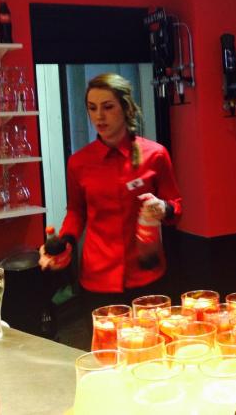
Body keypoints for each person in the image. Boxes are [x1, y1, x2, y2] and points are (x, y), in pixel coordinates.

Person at [39, 73, 182, 313]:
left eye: (107, 107)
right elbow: (76, 212)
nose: (99, 116)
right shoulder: (79, 162)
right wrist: (65, 244)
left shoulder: (155, 155)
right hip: (98, 277)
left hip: (146, 274)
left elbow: (176, 207)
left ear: (126, 108)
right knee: (104, 338)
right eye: (92, 108)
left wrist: (163, 208)